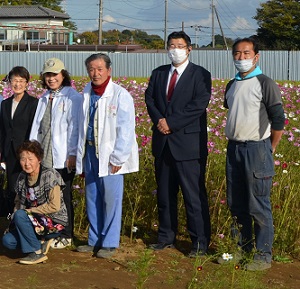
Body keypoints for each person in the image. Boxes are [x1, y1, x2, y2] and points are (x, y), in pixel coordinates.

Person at [145, 31, 211, 257]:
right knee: (165, 194)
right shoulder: (159, 73)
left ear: (189, 49)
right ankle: (165, 236)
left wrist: (170, 123)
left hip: (188, 145)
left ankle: (199, 243)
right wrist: (159, 121)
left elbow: (198, 105)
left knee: (193, 197)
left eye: (180, 45)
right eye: (171, 45)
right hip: (163, 143)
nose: (175, 49)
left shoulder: (200, 75)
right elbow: (150, 99)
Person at [222, 37, 285, 271]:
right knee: (236, 203)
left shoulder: (264, 83)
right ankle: (242, 248)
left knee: (258, 204)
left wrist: (271, 147)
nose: (241, 58)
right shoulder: (232, 84)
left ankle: (263, 254)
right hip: (234, 148)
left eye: (246, 53)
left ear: (256, 56)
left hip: (257, 148)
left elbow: (278, 119)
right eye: (237, 53)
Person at [76, 53, 139, 258]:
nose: (95, 73)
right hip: (91, 152)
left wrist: (118, 157)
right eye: (91, 69)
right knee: (92, 197)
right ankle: (94, 239)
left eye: (100, 69)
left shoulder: (120, 95)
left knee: (111, 199)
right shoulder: (86, 92)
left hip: (111, 155)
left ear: (109, 70)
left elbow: (126, 129)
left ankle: (110, 242)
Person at [30, 58, 82, 249]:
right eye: (48, 75)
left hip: (63, 157)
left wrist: (73, 154)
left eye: (55, 75)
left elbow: (75, 129)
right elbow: (37, 128)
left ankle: (67, 233)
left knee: (63, 195)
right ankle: (51, 231)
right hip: (44, 155)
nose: (51, 79)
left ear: (63, 75)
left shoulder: (72, 97)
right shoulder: (44, 98)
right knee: (45, 196)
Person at [2, 140, 68, 265]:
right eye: (23, 159)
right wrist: (13, 223)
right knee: (8, 241)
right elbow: (18, 203)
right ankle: (40, 243)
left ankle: (36, 252)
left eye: (30, 159)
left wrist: (29, 211)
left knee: (22, 215)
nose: (27, 163)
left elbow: (55, 206)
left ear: (39, 159)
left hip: (52, 220)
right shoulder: (22, 178)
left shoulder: (50, 175)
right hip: (32, 221)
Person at [0, 67, 38, 216]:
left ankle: (26, 217)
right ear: (10, 82)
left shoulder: (33, 103)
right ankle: (11, 218)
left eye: (21, 81)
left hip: (25, 152)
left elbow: (33, 129)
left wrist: (29, 151)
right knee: (11, 186)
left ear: (27, 83)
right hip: (9, 152)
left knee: (27, 186)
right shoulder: (5, 104)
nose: (17, 84)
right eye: (14, 80)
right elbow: (3, 130)